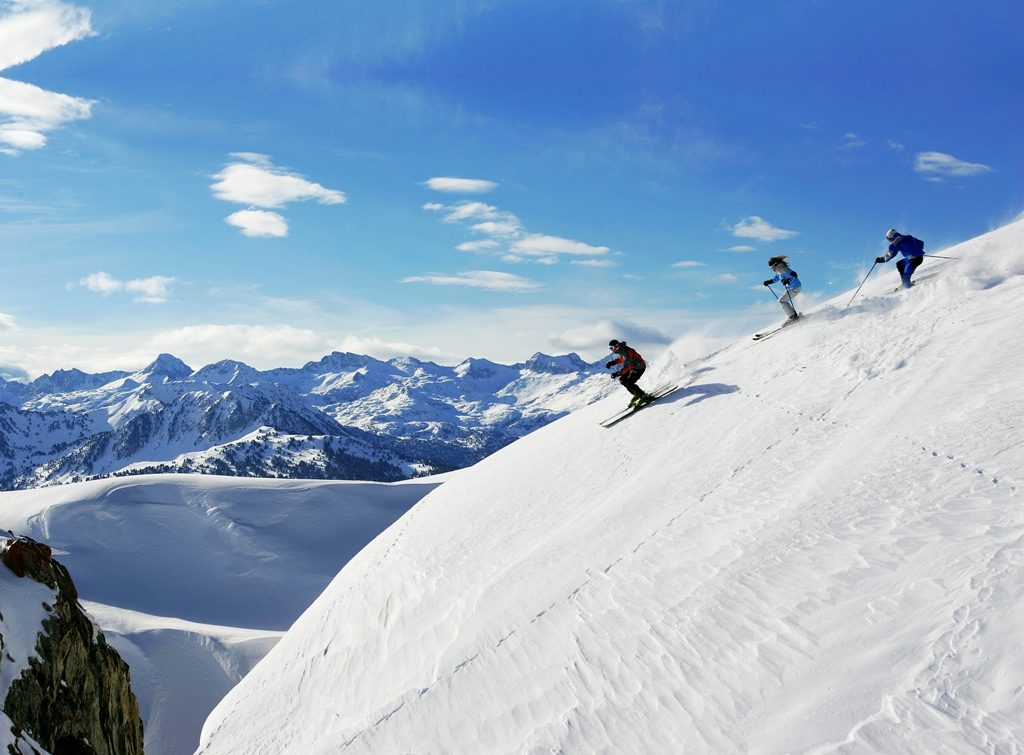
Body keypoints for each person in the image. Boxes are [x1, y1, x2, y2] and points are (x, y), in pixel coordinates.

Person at [605, 339, 652, 407]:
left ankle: (643, 396)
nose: (611, 350)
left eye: (612, 348)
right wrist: (613, 362)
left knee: (629, 382)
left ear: (616, 346)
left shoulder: (626, 351)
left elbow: (627, 365)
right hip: (632, 367)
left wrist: (618, 373)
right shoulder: (621, 350)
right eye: (610, 348)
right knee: (622, 380)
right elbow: (623, 360)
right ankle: (637, 394)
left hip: (639, 367)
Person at [762, 255, 801, 323]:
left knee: (782, 301)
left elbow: (794, 274)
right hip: (793, 287)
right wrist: (769, 281)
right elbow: (777, 278)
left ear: (775, 264)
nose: (771, 268)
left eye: (771, 266)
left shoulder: (782, 269)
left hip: (794, 287)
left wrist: (788, 280)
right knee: (782, 300)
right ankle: (793, 315)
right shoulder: (779, 269)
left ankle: (793, 317)